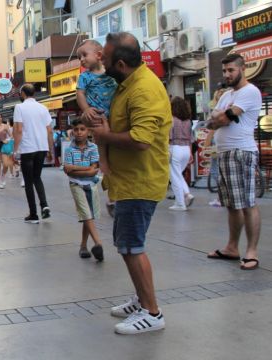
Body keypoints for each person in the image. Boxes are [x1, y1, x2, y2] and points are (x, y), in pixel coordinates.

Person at [89, 32, 170, 335]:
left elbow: (141, 139)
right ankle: (141, 299)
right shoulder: (128, 83)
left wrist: (104, 136)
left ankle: (152, 312)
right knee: (127, 245)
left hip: (140, 181)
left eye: (105, 58)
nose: (100, 61)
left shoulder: (144, 89)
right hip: (127, 180)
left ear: (120, 63)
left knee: (132, 246)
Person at [206, 53, 263, 271]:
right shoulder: (227, 95)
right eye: (225, 71)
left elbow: (221, 119)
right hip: (225, 153)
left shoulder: (250, 91)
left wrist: (220, 117)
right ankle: (232, 247)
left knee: (247, 203)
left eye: (231, 70)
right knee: (231, 204)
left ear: (242, 69)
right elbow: (211, 122)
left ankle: (252, 252)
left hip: (241, 152)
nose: (227, 74)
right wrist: (219, 118)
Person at [76, 39, 118, 218]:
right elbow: (80, 94)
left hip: (116, 115)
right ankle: (105, 169)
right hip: (98, 116)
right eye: (79, 57)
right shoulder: (84, 76)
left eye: (85, 55)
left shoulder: (111, 73)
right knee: (104, 152)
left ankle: (113, 193)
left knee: (116, 155)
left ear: (99, 55)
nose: (82, 60)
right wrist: (86, 109)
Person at [13, 83, 54, 224]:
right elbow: (49, 130)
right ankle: (45, 205)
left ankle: (33, 214)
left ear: (23, 93)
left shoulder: (20, 107)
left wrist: (15, 150)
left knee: (28, 181)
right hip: (41, 148)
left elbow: (18, 130)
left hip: (27, 148)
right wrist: (50, 150)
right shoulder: (43, 108)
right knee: (37, 177)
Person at [63, 119, 103, 261]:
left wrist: (75, 168)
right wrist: (88, 169)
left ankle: (83, 246)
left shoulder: (93, 148)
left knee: (89, 215)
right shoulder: (69, 149)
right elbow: (68, 172)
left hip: (91, 184)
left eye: (82, 129)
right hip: (76, 185)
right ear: (72, 131)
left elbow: (93, 172)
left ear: (88, 131)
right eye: (76, 129)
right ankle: (98, 243)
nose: (79, 132)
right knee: (86, 213)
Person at [168, 97, 195, 211]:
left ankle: (180, 203)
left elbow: (169, 137)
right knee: (178, 174)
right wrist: (191, 153)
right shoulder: (188, 121)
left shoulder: (172, 120)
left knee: (174, 176)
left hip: (175, 148)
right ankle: (187, 194)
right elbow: (191, 138)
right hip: (186, 149)